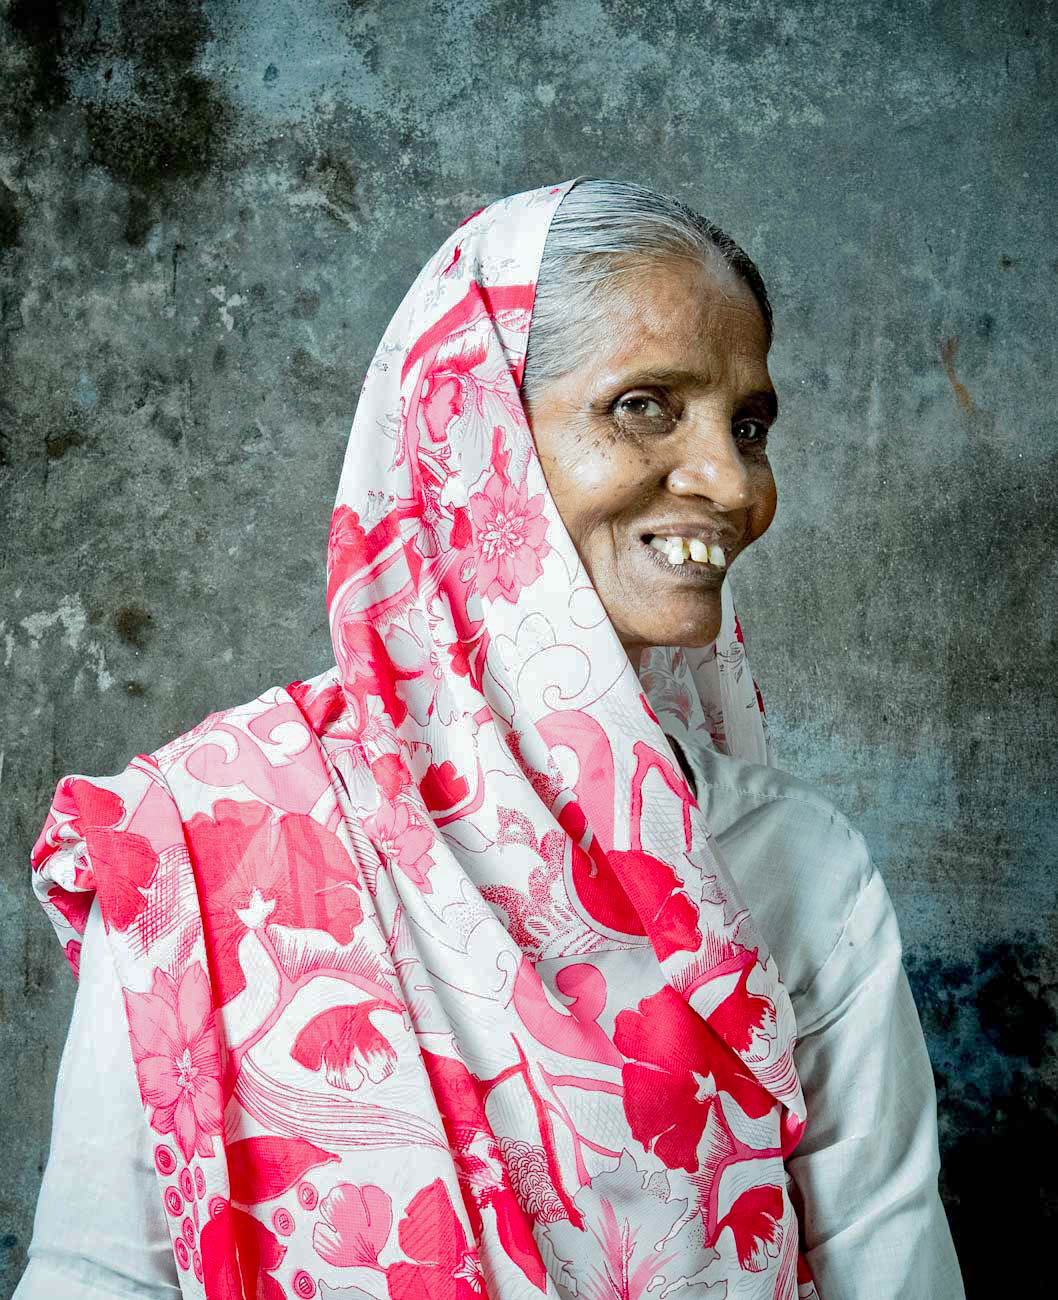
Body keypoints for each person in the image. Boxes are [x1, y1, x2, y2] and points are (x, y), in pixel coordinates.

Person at [17, 177, 966, 1300]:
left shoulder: (797, 868)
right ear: (470, 431)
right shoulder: (204, 841)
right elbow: (97, 1277)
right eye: (646, 405)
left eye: (747, 426)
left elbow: (893, 1271)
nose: (730, 482)